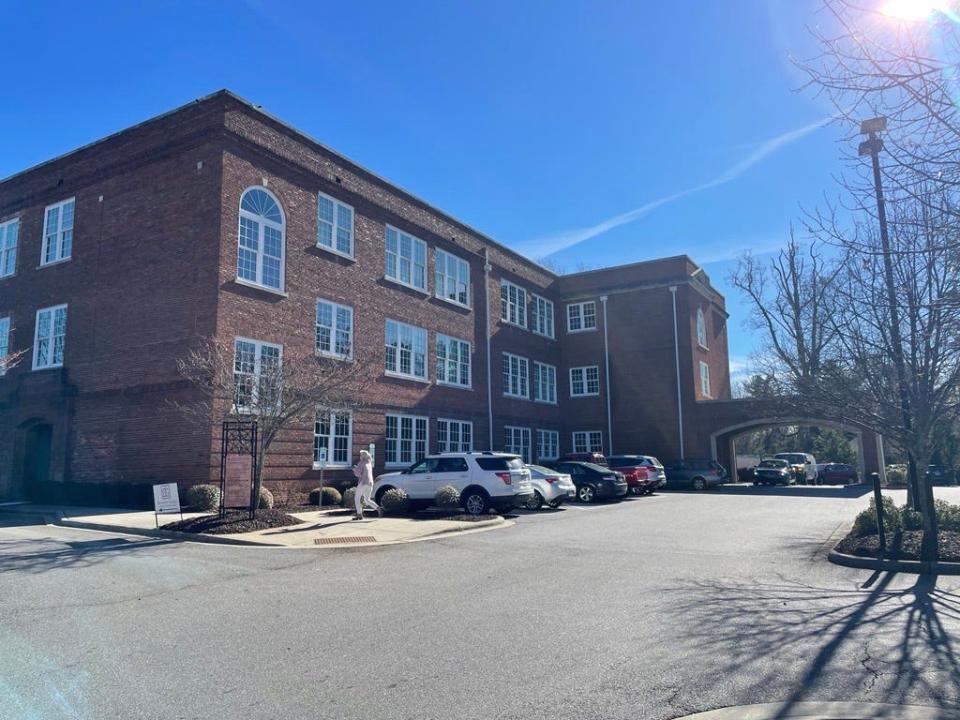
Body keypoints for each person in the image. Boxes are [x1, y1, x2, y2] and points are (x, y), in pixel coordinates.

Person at [352, 449, 382, 520]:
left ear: (363, 456)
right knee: (367, 500)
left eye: (361, 455)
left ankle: (359, 515)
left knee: (357, 499)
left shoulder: (361, 463)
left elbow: (358, 474)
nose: (360, 456)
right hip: (370, 483)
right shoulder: (369, 464)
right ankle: (378, 508)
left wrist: (354, 469)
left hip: (363, 483)